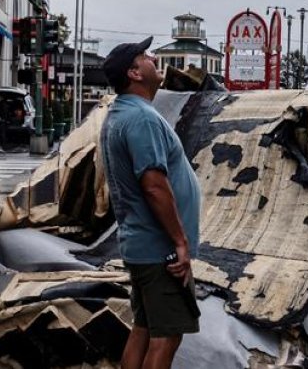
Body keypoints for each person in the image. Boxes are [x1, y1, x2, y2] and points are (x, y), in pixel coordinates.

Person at [99, 37, 202, 369]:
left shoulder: (122, 114)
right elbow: (155, 186)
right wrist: (180, 242)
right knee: (167, 337)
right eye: (145, 56)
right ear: (134, 72)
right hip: (161, 251)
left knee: (143, 329)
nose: (153, 58)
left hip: (142, 245)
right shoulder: (141, 119)